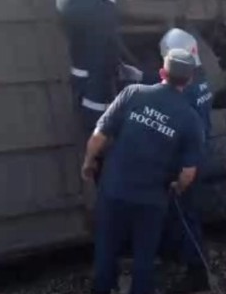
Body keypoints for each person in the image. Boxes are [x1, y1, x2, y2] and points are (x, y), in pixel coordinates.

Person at [81, 48, 205, 294]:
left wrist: (88, 162)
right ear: (190, 79)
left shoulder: (132, 93)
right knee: (144, 256)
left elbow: (98, 136)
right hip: (151, 200)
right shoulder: (191, 119)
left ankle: (103, 288)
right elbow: (188, 173)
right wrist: (177, 188)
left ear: (162, 72)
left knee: (105, 249)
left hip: (113, 191)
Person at [50, 0, 129, 132]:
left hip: (69, 1)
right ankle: (93, 124)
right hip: (101, 6)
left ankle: (77, 96)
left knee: (79, 59)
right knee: (98, 66)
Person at [157, 29, 214, 293]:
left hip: (186, 160)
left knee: (186, 215)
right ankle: (180, 256)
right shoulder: (202, 80)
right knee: (187, 213)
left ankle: (198, 274)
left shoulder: (184, 92)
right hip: (200, 153)